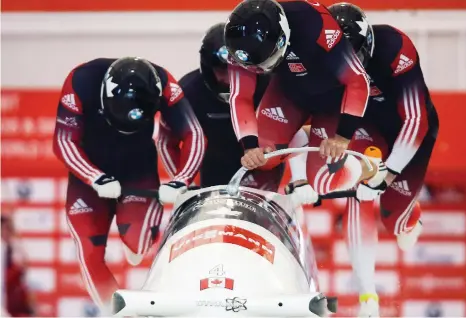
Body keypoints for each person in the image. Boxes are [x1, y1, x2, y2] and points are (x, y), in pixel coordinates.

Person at [291, 3, 440, 316]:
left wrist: (388, 176)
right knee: (360, 190)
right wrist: (300, 175)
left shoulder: (396, 50)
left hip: (407, 132)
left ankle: (408, 211)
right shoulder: (316, 55)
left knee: (399, 227)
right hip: (362, 126)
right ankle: (367, 295)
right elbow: (301, 114)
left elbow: (416, 120)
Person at [52, 57, 205, 310]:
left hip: (137, 169)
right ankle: (117, 314)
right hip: (90, 176)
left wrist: (181, 180)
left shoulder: (164, 84)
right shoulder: (80, 81)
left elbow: (194, 133)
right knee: (88, 249)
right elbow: (63, 141)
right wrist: (94, 176)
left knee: (137, 246)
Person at [224, 0, 374, 205]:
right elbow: (240, 97)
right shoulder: (238, 47)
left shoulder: (315, 24)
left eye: (265, 63)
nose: (261, 70)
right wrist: (250, 147)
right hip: (289, 91)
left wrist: (342, 137)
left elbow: (357, 81)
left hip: (332, 99)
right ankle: (302, 139)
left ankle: (370, 168)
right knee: (263, 158)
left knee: (322, 182)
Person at [158, 22, 308, 193]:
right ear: (208, 68)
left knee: (254, 215)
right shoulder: (189, 91)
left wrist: (300, 179)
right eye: (224, 72)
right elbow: (167, 141)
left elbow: (293, 132)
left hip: (261, 170)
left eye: (238, 71)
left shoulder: (271, 86)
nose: (231, 81)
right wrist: (182, 182)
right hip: (214, 171)